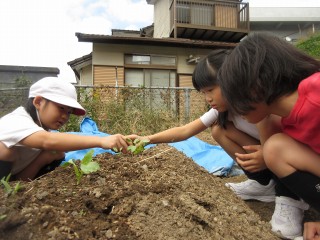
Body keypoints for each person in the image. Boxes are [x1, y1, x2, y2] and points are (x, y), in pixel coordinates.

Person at [127, 49, 276, 202]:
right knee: (219, 130)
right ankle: (263, 184)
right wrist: (146, 139)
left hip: (282, 157)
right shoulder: (221, 110)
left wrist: (266, 155)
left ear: (231, 79)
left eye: (210, 90)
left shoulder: (259, 106)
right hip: (265, 160)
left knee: (273, 147)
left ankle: (288, 196)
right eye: (203, 93)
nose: (208, 98)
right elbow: (185, 131)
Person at [218, 32, 320, 239]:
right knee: (274, 148)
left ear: (255, 87)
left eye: (234, 95)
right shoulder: (284, 119)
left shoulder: (316, 94)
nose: (233, 106)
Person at [0, 77, 130, 181]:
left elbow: (59, 143)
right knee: (4, 150)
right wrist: (101, 141)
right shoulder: (16, 121)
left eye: (69, 112)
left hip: (15, 176)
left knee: (56, 152)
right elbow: (47, 140)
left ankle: (22, 187)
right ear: (38, 102)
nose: (64, 116)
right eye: (61, 108)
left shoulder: (42, 127)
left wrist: (123, 139)